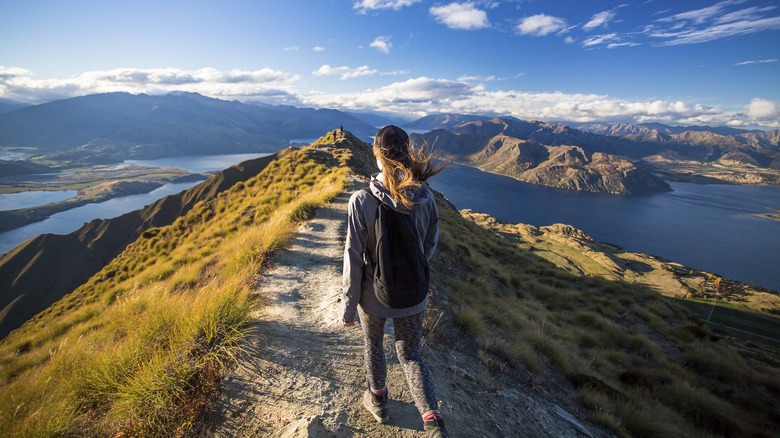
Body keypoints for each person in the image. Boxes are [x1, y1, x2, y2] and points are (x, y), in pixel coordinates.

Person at [341, 125, 450, 438]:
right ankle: (432, 422)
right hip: (413, 294)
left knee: (373, 342)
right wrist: (407, 274)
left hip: (372, 294)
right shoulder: (426, 199)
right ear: (408, 156)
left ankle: (378, 400)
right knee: (411, 356)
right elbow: (428, 246)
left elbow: (353, 256)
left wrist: (349, 306)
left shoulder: (360, 201)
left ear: (377, 157)